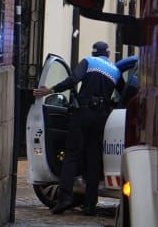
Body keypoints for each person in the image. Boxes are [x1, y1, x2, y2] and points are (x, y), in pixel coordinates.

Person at [36, 39, 121, 214]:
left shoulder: (88, 61)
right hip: (102, 117)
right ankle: (90, 204)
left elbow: (73, 79)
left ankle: (65, 198)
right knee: (93, 158)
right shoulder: (116, 70)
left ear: (94, 52)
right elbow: (123, 93)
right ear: (109, 54)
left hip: (83, 112)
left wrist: (51, 90)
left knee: (72, 154)